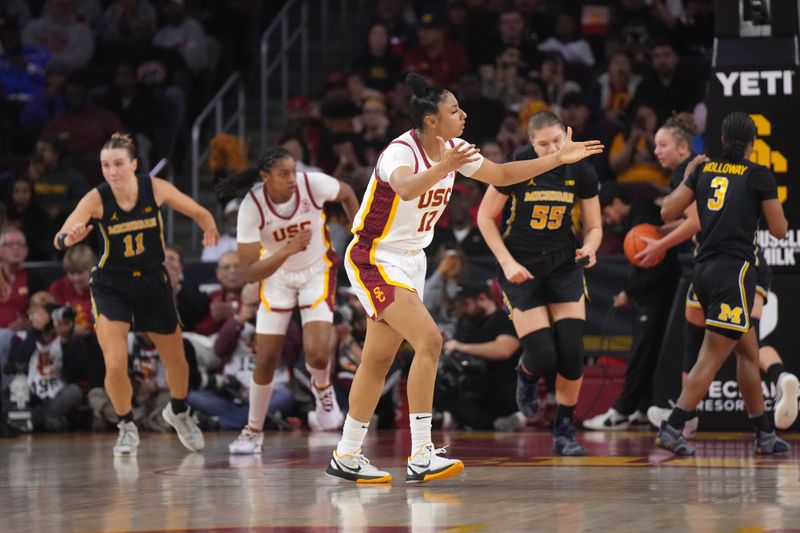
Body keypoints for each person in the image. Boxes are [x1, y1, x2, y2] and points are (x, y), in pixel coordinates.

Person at [325, 73, 603, 484]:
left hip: (411, 259)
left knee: (378, 359)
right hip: (374, 256)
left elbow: (503, 175)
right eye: (454, 109)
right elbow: (403, 189)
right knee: (430, 340)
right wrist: (442, 168)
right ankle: (421, 452)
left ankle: (347, 453)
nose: (464, 113)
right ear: (432, 120)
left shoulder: (454, 149)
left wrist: (555, 160)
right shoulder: (399, 153)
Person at [52, 132, 219, 457]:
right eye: (105, 165)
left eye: (118, 164)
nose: (112, 172)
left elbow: (199, 211)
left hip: (153, 282)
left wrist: (209, 226)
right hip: (111, 285)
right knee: (114, 364)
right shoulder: (97, 198)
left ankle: (179, 411)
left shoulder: (153, 188)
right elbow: (61, 235)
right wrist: (68, 239)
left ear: (133, 165)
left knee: (177, 359)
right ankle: (126, 424)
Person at [656, 112, 789, 456]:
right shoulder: (758, 174)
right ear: (751, 143)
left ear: (721, 140)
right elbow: (778, 230)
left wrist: (686, 178)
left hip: (702, 270)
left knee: (747, 351)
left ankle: (764, 431)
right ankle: (673, 426)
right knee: (713, 356)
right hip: (735, 273)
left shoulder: (702, 169)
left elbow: (667, 212)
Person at [215, 145, 359, 454]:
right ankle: (253, 431)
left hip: (317, 272)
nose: (292, 178)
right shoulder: (251, 208)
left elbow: (346, 193)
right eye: (283, 174)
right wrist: (287, 249)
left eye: (293, 171)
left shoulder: (312, 184)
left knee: (318, 355)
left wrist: (361, 234)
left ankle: (323, 392)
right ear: (265, 177)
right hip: (276, 277)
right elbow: (250, 272)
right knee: (266, 358)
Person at [476, 111, 603, 456]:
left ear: (567, 135)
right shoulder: (517, 164)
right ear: (531, 143)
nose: (550, 149)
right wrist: (506, 262)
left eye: (556, 142)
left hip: (563, 263)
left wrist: (590, 247)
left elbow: (594, 226)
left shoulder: (581, 167)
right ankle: (527, 375)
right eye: (542, 144)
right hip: (521, 264)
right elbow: (485, 217)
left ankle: (564, 427)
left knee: (573, 352)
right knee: (543, 354)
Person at [585, 114, 695, 431]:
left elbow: (689, 225)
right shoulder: (674, 180)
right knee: (654, 354)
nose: (656, 151)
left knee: (644, 353)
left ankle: (622, 410)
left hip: (662, 289)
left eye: (662, 145)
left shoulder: (652, 206)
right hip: (660, 287)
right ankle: (644, 407)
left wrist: (635, 287)